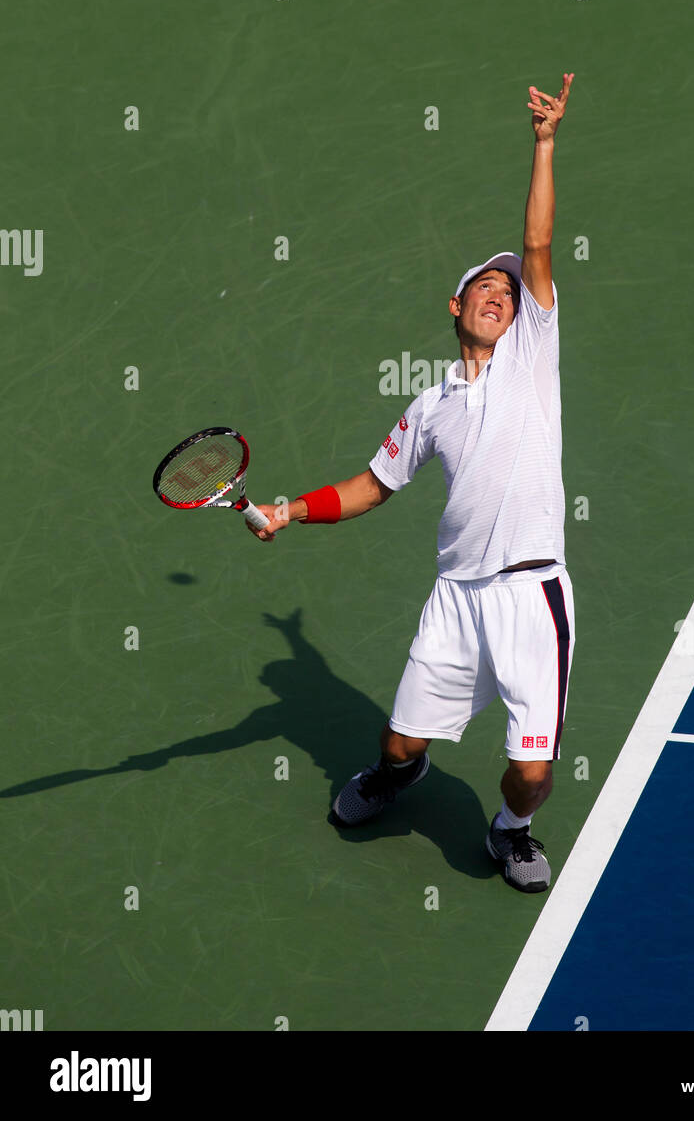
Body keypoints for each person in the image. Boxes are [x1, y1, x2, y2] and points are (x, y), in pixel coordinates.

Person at [250, 73, 576, 893]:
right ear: (456, 305)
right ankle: (399, 778)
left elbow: (536, 245)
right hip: (456, 598)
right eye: (486, 288)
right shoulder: (430, 406)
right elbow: (371, 486)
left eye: (510, 291)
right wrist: (289, 511)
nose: (502, 294)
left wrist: (544, 142)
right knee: (400, 748)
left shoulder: (533, 360)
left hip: (532, 597)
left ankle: (511, 831)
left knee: (531, 774)